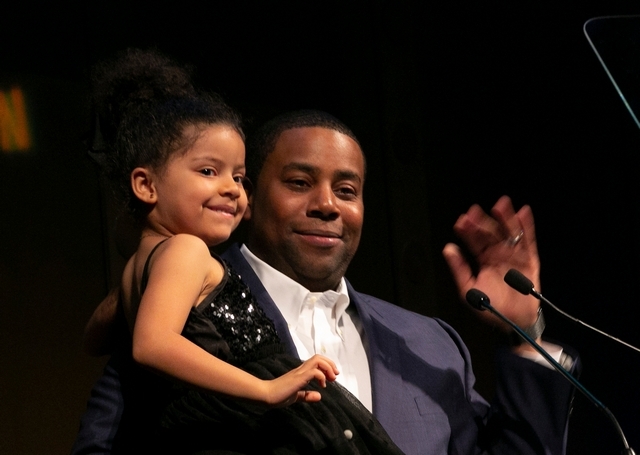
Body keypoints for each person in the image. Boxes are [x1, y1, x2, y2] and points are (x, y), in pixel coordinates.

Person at [72, 108, 578, 454]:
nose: (327, 205)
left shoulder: (431, 343)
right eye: (299, 183)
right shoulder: (186, 306)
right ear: (249, 198)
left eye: (347, 190)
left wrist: (523, 332)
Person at [83, 49, 405, 454]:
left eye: (237, 176)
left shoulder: (141, 267)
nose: (232, 189)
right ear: (146, 185)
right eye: (208, 171)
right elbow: (151, 345)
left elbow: (94, 338)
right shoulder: (187, 250)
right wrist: (266, 389)